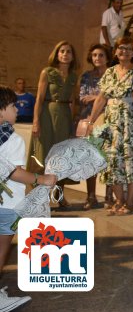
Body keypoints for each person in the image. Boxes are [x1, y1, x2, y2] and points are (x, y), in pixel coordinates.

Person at [0, 86, 57, 312]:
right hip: (7, 206)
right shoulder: (12, 139)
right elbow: (13, 172)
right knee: (2, 249)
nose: (17, 110)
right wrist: (41, 178)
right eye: (13, 106)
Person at [87, 37, 133, 216]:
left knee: (131, 160)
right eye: (121, 48)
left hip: (130, 122)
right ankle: (119, 200)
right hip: (111, 122)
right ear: (116, 51)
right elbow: (102, 97)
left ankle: (131, 202)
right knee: (112, 161)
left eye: (128, 48)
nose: (124, 51)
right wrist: (91, 120)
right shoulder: (110, 72)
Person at [32, 40, 78, 207]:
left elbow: (73, 101)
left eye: (68, 51)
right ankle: (40, 197)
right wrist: (36, 121)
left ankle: (59, 196)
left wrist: (73, 124)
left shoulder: (73, 76)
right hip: (47, 116)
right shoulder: (47, 72)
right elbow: (39, 98)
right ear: (57, 54)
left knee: (62, 158)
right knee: (44, 156)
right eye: (62, 51)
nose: (65, 54)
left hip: (65, 117)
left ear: (73, 57)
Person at [78, 44, 111, 210]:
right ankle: (91, 196)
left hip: (111, 119)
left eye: (101, 55)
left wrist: (95, 97)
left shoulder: (113, 74)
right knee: (91, 158)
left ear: (107, 57)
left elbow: (113, 97)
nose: (97, 58)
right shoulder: (86, 76)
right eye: (95, 55)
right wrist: (100, 97)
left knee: (110, 159)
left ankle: (109, 195)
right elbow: (82, 97)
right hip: (90, 119)